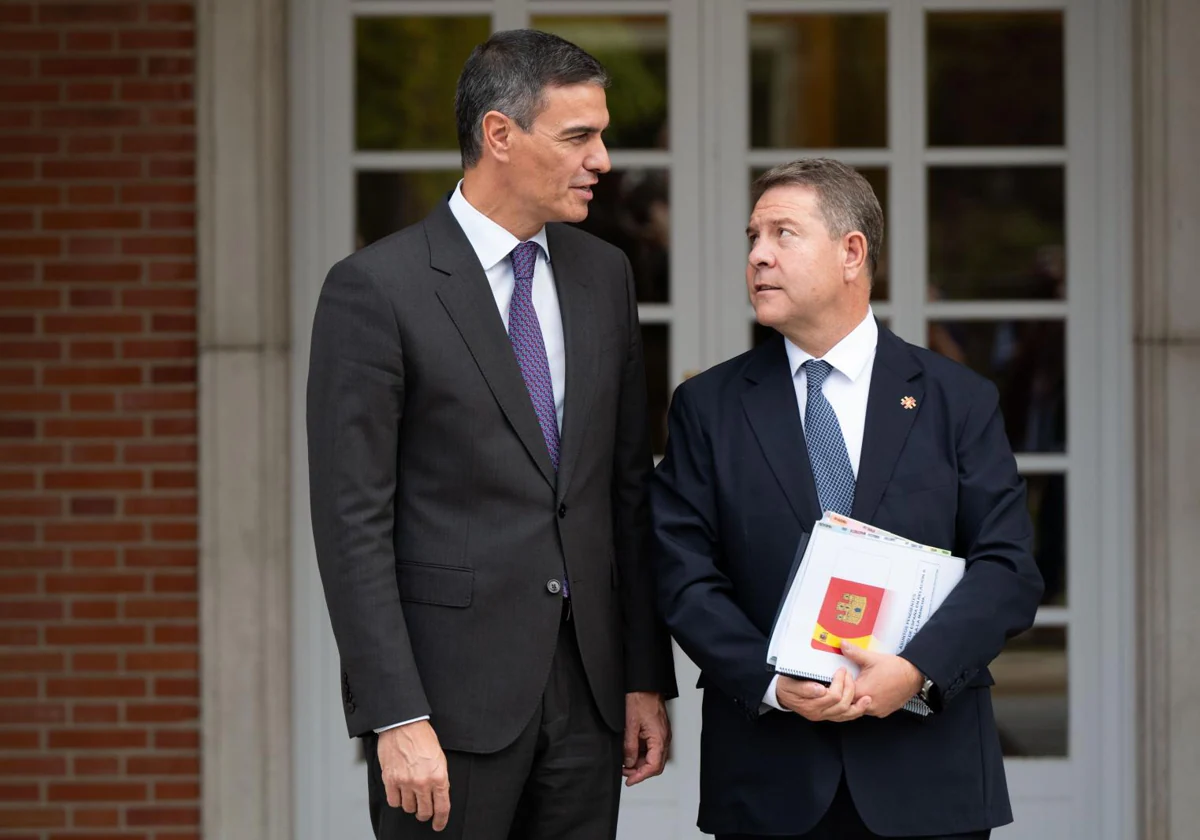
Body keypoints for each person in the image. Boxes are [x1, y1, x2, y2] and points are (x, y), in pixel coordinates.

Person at [306, 29, 677, 840]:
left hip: (587, 697)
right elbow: (351, 524)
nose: (604, 160)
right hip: (445, 709)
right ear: (498, 135)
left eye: (602, 135)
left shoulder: (604, 274)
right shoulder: (375, 289)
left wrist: (645, 676)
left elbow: (624, 488)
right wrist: (395, 713)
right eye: (579, 136)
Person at [650, 158, 1043, 840]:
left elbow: (1008, 569)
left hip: (928, 779)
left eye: (783, 234)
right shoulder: (708, 407)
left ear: (851, 252)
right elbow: (682, 574)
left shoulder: (958, 401)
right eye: (752, 237)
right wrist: (772, 681)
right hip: (771, 779)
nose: (758, 256)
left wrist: (916, 669)